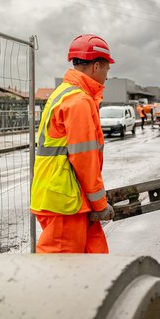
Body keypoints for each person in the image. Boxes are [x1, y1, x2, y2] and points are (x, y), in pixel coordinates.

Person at [30, 34, 116, 253]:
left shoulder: (63, 94)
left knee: (93, 263)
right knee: (60, 276)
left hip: (65, 198)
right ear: (96, 66)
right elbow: (84, 158)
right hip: (65, 203)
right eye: (107, 69)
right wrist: (100, 204)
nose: (107, 75)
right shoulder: (79, 101)